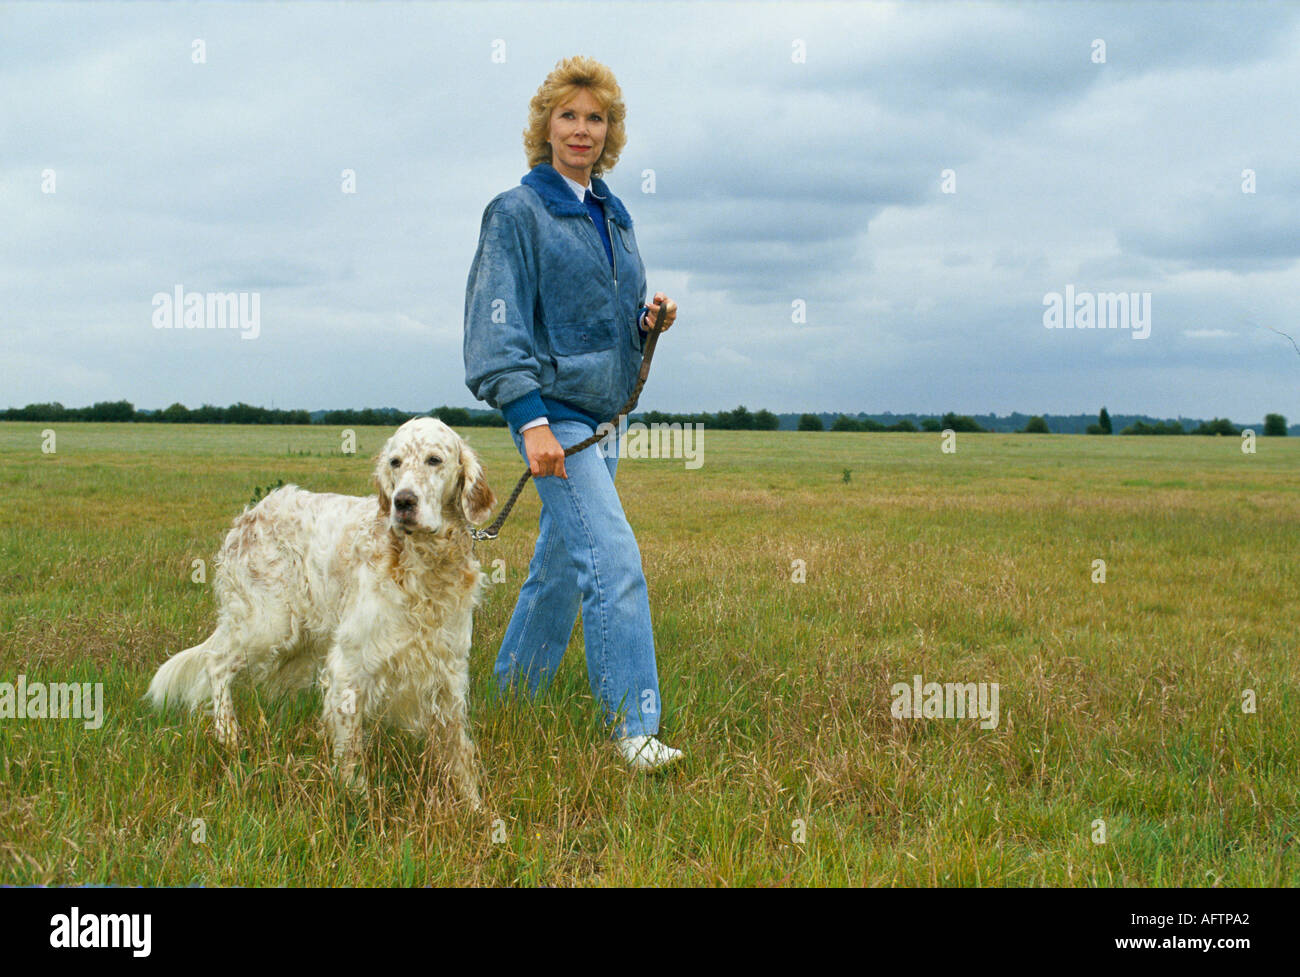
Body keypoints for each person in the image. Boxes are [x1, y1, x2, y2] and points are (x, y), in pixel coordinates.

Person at [463, 55, 682, 770]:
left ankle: (509, 701)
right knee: (613, 559)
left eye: (596, 118)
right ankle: (634, 729)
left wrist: (650, 322)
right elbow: (495, 329)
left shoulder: (612, 215)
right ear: (545, 127)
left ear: (609, 130)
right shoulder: (517, 212)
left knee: (559, 570)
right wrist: (530, 422)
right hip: (553, 417)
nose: (582, 130)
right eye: (569, 116)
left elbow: (603, 317)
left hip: (604, 421)